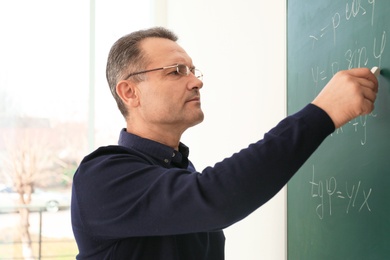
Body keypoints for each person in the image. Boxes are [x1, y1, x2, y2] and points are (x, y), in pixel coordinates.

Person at [71, 27, 378, 259]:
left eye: (192, 70)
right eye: (177, 71)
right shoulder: (102, 176)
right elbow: (216, 196)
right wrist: (322, 113)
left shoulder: (181, 170)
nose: (196, 80)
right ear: (129, 92)